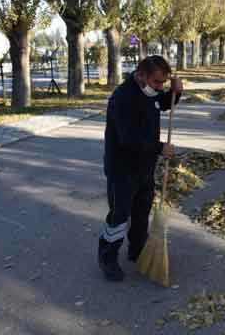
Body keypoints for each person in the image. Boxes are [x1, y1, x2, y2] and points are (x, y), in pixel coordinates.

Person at [98, 55, 183, 282]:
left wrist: (177, 92)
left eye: (163, 83)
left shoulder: (150, 93)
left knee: (141, 213)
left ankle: (138, 250)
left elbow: (163, 102)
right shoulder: (122, 98)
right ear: (141, 75)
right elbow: (129, 140)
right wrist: (160, 147)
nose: (159, 87)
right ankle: (107, 257)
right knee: (119, 215)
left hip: (144, 168)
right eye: (156, 82)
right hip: (122, 169)